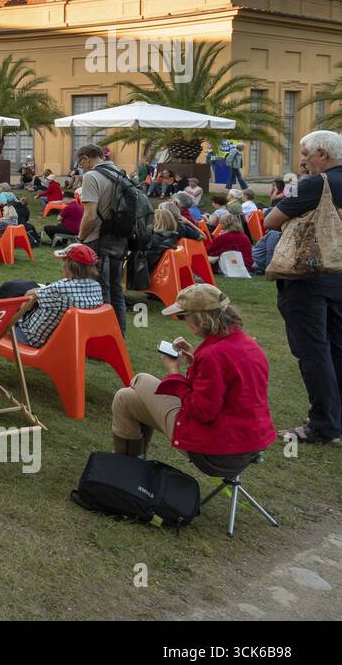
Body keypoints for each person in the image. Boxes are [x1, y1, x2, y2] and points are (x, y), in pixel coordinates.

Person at [110, 285, 274, 461]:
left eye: (184, 316)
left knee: (140, 380)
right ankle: (130, 468)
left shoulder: (213, 355)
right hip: (251, 442)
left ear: (200, 318)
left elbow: (201, 412)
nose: (184, 321)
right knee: (125, 397)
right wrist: (196, 361)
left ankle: (128, 470)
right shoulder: (249, 345)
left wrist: (174, 372)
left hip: (218, 449)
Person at [265, 129, 342, 444]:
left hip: (306, 276)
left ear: (322, 155)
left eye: (307, 155)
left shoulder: (312, 184)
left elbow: (271, 219)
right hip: (339, 276)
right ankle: (335, 420)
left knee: (313, 350)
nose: (303, 162)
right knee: (337, 348)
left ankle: (323, 424)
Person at [0, 244, 104, 348]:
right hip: (68, 342)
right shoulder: (96, 287)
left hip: (33, 338)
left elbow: (30, 295)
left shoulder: (60, 289)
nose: (62, 265)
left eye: (64, 261)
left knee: (7, 293)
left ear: (70, 265)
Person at [74, 144, 128, 331]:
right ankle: (119, 333)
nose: (81, 167)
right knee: (116, 289)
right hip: (120, 238)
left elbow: (90, 216)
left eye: (80, 163)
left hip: (98, 238)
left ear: (86, 159)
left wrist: (80, 238)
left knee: (99, 289)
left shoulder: (91, 176)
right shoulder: (120, 173)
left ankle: (103, 337)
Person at [143, 209, 181, 273]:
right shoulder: (172, 237)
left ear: (156, 222)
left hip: (148, 274)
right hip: (161, 272)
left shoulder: (154, 238)